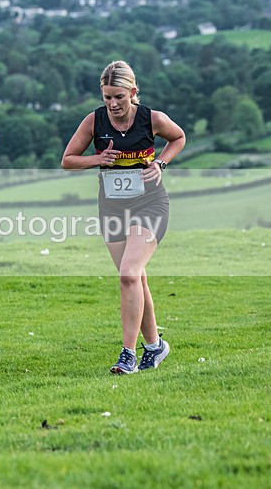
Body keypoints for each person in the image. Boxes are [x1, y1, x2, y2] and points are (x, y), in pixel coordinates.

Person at [61, 60, 186, 374]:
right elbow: (68, 160)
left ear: (133, 92)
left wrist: (161, 163)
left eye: (118, 96)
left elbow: (178, 138)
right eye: (107, 97)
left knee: (129, 275)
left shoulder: (151, 119)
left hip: (150, 204)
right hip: (113, 208)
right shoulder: (94, 121)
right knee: (136, 278)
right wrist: (98, 159)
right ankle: (156, 346)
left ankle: (128, 353)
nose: (113, 104)